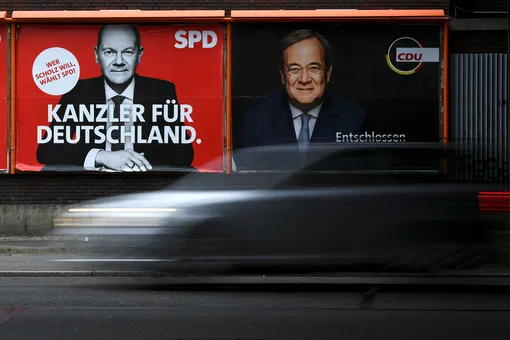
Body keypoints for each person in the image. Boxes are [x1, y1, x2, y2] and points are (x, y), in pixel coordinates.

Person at [36, 24, 194, 172]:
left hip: (144, 179)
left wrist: (131, 161)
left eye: (127, 52)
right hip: (91, 180)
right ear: (97, 55)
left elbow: (184, 153)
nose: (119, 61)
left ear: (139, 55)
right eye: (109, 52)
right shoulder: (77, 92)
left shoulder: (161, 91)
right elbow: (46, 150)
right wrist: (102, 157)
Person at [240, 29, 369, 154]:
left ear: (328, 73)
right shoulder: (256, 118)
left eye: (313, 68)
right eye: (295, 69)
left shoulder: (353, 120)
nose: (304, 79)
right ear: (282, 75)